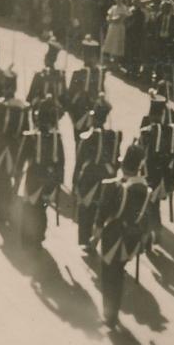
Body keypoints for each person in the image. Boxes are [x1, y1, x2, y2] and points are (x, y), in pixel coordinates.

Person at [94, 144, 152, 329]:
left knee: (109, 276)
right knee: (117, 273)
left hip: (113, 237)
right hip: (131, 239)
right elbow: (146, 217)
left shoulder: (114, 186)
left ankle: (110, 316)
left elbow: (102, 214)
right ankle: (113, 312)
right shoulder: (144, 189)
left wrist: (95, 234)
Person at [73, 99, 121, 251]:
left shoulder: (88, 137)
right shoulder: (113, 136)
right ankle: (96, 240)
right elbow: (117, 160)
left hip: (90, 178)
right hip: (109, 178)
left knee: (86, 209)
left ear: (94, 118)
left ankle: (86, 240)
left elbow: (79, 162)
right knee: (102, 211)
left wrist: (75, 182)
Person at [14, 103, 65, 246]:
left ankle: (27, 238)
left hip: (33, 179)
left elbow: (21, 158)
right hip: (50, 180)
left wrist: (17, 174)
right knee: (42, 208)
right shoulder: (57, 138)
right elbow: (61, 162)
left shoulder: (31, 137)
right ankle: (39, 237)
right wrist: (58, 182)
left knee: (29, 208)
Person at [136, 91, 174, 232]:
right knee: (153, 203)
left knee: (149, 203)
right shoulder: (172, 131)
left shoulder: (147, 130)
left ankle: (153, 230)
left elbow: (141, 149)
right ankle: (153, 229)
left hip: (149, 172)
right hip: (165, 174)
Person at [0, 97, 31, 218]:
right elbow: (25, 133)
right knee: (7, 179)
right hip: (14, 150)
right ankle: (4, 207)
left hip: (0, 149)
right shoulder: (23, 112)